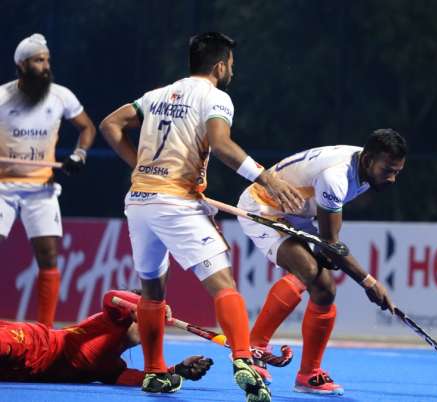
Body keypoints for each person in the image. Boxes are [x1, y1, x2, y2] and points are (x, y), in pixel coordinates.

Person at [99, 31, 303, 400]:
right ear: (220, 64)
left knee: (152, 290)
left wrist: (139, 166)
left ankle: (155, 373)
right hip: (176, 203)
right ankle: (244, 360)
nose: (232, 72)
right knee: (223, 284)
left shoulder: (156, 95)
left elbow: (109, 125)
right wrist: (266, 177)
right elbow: (222, 144)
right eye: (231, 65)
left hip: (140, 202)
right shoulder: (215, 97)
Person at [237, 129, 406, 395]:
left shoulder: (365, 168)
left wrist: (326, 249)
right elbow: (331, 241)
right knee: (309, 271)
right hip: (263, 207)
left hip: (297, 212)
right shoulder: (335, 176)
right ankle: (253, 346)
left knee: (325, 289)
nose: (392, 178)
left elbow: (328, 237)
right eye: (388, 170)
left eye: (397, 171)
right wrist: (369, 282)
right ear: (368, 159)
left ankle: (308, 375)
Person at [0, 33, 96, 328]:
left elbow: (87, 128)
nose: (45, 66)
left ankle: (44, 333)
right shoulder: (2, 97)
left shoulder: (61, 96)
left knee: (48, 254)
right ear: (21, 65)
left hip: (41, 189)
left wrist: (79, 155)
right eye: (38, 60)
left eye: (47, 60)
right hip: (2, 187)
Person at [0, 289, 213, 386]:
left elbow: (140, 379)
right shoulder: (110, 320)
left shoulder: (111, 367)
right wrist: (142, 305)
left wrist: (178, 371)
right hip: (31, 342)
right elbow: (111, 297)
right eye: (145, 320)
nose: (150, 327)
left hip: (19, 372)